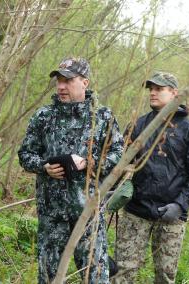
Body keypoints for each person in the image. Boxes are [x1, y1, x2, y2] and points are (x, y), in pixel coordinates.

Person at [18, 57, 124, 284]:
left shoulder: (103, 117)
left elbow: (118, 155)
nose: (61, 86)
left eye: (68, 80)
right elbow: (25, 155)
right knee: (50, 278)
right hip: (52, 217)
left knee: (95, 278)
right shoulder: (44, 117)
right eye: (59, 80)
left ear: (84, 82)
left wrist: (90, 163)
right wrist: (44, 167)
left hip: (89, 216)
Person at [115, 72, 189, 283]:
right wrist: (108, 192)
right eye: (151, 88)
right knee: (123, 272)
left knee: (165, 277)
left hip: (171, 216)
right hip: (136, 212)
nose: (152, 92)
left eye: (159, 88)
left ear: (174, 93)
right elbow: (118, 163)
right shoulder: (139, 125)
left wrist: (180, 204)